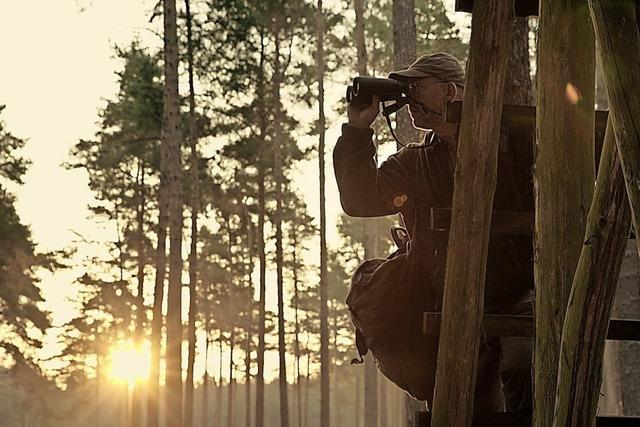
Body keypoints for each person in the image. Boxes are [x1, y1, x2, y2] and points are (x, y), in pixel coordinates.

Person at [333, 52, 534, 413]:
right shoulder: (414, 163)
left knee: (524, 364)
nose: (407, 97)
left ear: (452, 91)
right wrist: (358, 129)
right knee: (467, 401)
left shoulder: (510, 139)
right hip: (450, 303)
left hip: (518, 291)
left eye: (417, 86)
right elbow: (359, 199)